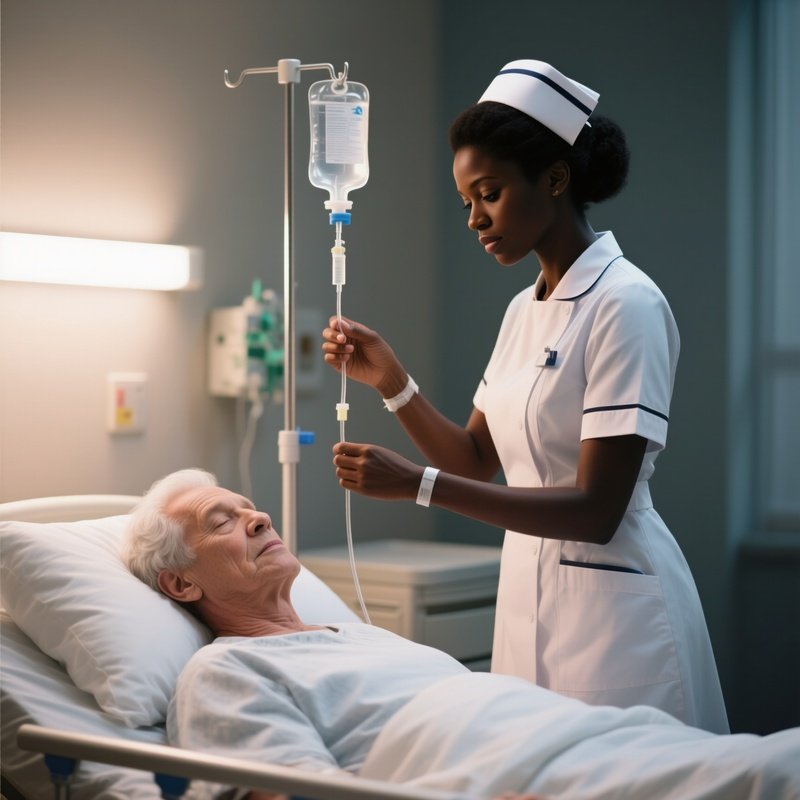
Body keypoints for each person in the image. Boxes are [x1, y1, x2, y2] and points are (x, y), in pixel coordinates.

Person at [321, 59, 728, 734]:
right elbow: (478, 456)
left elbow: (598, 509)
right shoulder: (523, 310)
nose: (476, 219)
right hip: (527, 596)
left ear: (556, 178)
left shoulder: (626, 303)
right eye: (466, 203)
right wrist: (392, 380)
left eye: (490, 193)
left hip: (615, 617)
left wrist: (418, 486)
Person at [121, 468, 544, 800]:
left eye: (249, 509)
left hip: (558, 732)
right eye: (221, 523)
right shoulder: (227, 672)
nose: (260, 519)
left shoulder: (366, 637)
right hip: (523, 778)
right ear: (181, 584)